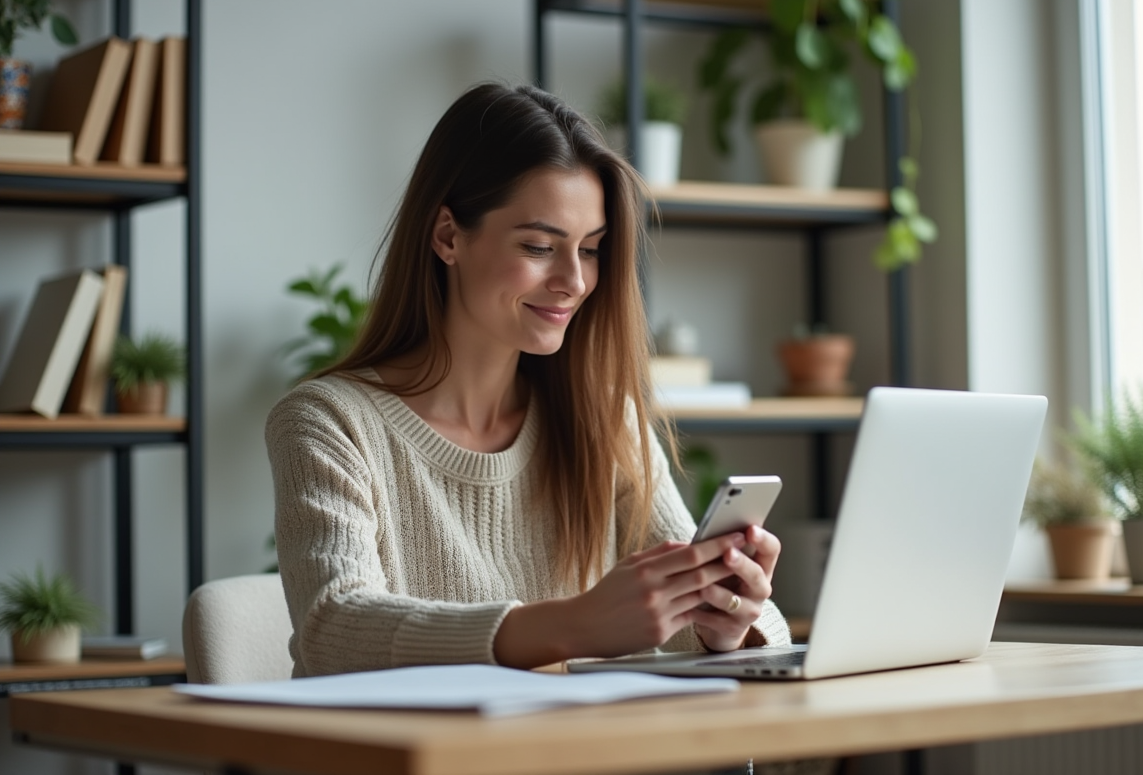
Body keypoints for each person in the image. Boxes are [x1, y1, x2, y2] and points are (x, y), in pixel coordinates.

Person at [266, 82, 792, 678]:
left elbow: (711, 625)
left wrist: (724, 621)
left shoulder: (602, 417)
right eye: (540, 246)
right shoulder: (326, 422)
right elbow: (333, 628)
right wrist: (573, 624)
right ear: (447, 236)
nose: (574, 281)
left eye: (591, 250)